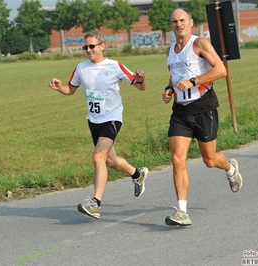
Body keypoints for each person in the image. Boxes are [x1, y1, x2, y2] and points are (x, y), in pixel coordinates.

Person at [48, 30, 149, 219]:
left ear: (102, 46)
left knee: (98, 156)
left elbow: (139, 86)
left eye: (92, 46)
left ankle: (95, 203)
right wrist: (58, 88)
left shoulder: (115, 66)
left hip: (112, 118)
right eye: (85, 47)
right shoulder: (81, 68)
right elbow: (71, 89)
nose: (88, 50)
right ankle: (137, 174)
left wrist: (141, 80)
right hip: (93, 120)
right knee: (109, 161)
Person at [162, 8, 243, 226]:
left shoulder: (200, 44)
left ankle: (230, 168)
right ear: (171, 25)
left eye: (182, 20)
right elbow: (176, 76)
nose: (178, 24)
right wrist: (169, 88)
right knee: (177, 159)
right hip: (181, 112)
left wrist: (193, 81)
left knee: (209, 159)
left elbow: (220, 70)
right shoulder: (170, 50)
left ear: (190, 22)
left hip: (204, 108)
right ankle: (181, 211)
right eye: (174, 21)